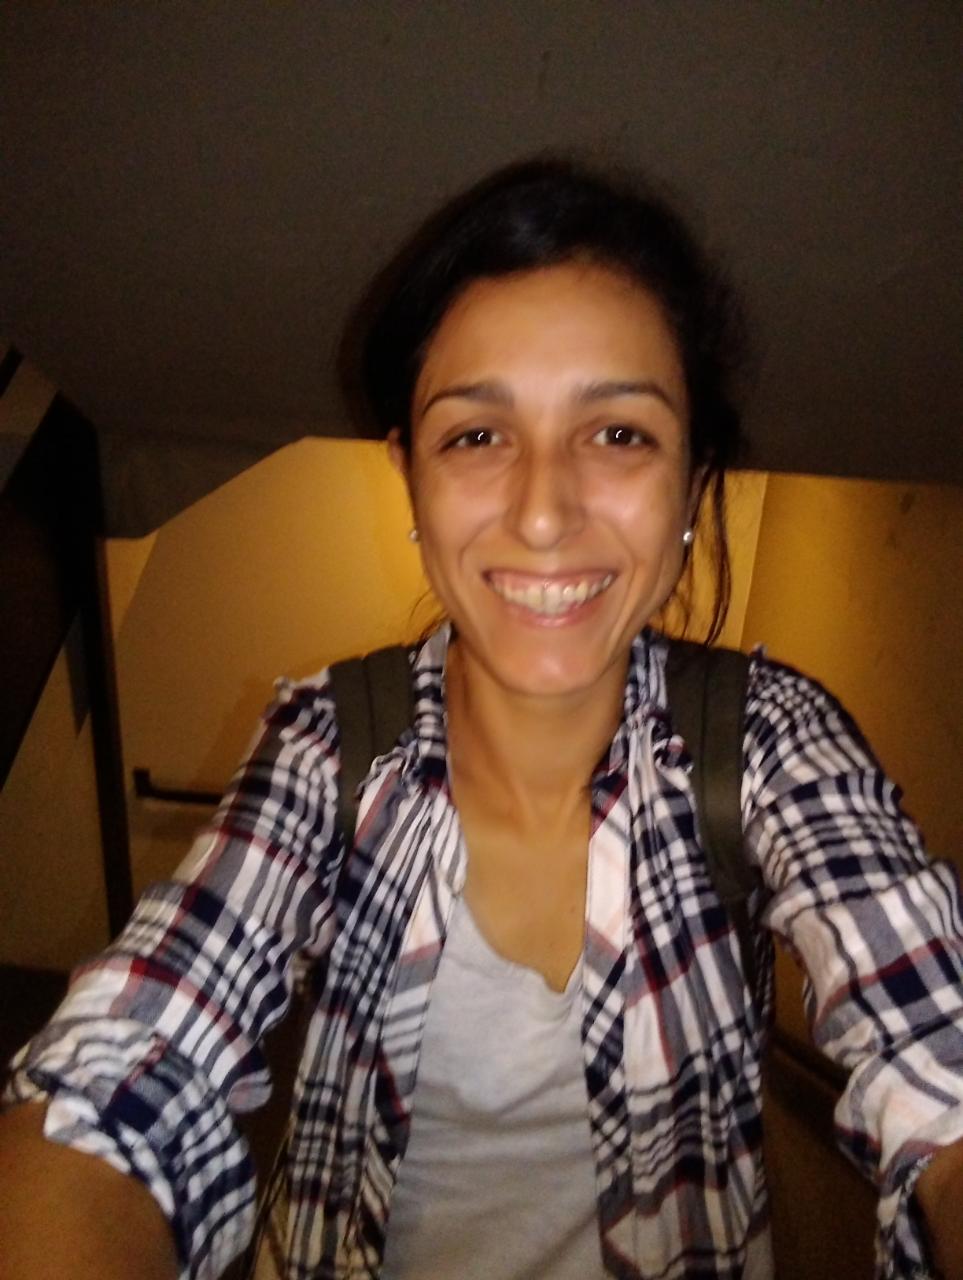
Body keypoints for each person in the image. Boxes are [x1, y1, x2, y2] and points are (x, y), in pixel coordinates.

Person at [2, 159, 962, 1280]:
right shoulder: (329, 741)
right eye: (475, 436)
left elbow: (937, 1049)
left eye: (619, 433)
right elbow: (128, 1074)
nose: (543, 510)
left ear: (693, 482)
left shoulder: (769, 737)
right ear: (409, 477)